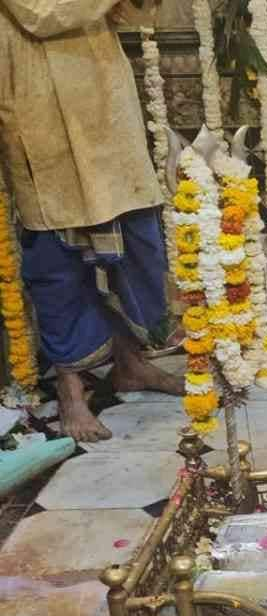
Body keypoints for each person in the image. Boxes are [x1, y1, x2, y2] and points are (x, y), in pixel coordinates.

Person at [0, 0, 183, 442]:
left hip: (103, 101)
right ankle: (71, 391)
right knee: (57, 263)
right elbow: (41, 14)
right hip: (36, 102)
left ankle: (131, 363)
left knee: (132, 239)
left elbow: (135, 15)